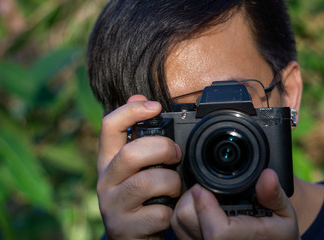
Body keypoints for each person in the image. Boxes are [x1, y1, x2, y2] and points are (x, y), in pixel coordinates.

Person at [87, 0, 324, 239]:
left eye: (229, 104)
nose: (213, 137)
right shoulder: (135, 231)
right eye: (178, 118)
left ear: (289, 93)